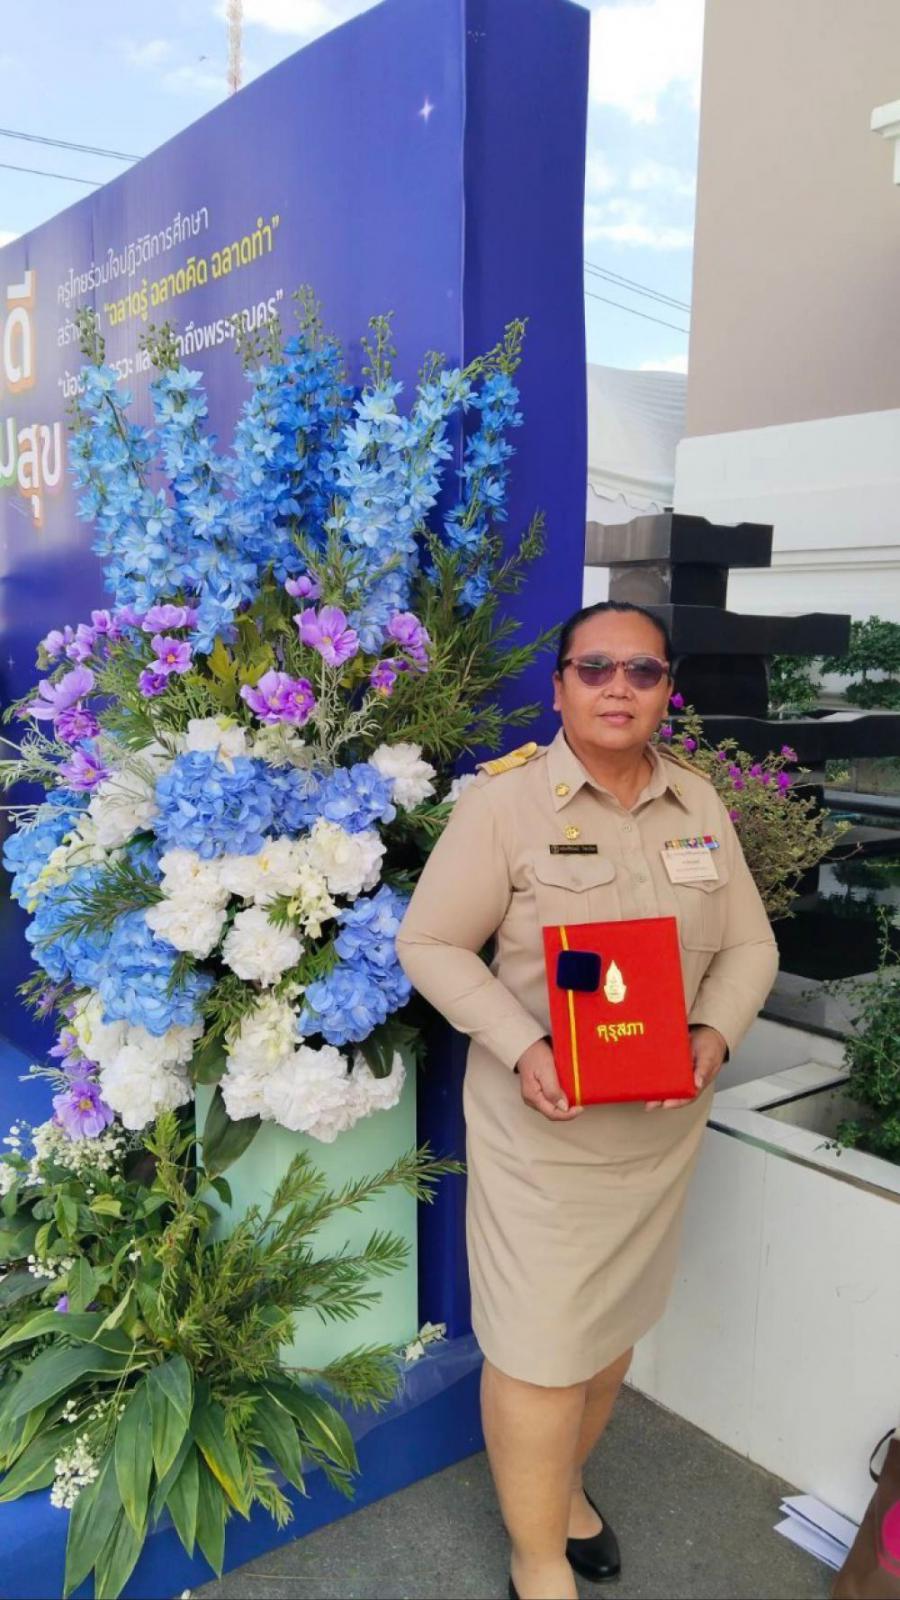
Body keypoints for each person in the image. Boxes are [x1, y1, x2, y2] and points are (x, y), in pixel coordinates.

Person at [396, 599, 779, 1600]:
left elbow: (750, 944)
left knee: (609, 1335)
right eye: (596, 667)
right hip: (544, 1140)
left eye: (643, 671)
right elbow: (429, 943)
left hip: (657, 1138)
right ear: (560, 686)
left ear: (667, 689)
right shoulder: (503, 807)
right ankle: (536, 1561)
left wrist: (713, 1032)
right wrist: (522, 1044)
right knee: (540, 1354)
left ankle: (561, 1493)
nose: (620, 687)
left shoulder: (699, 806)